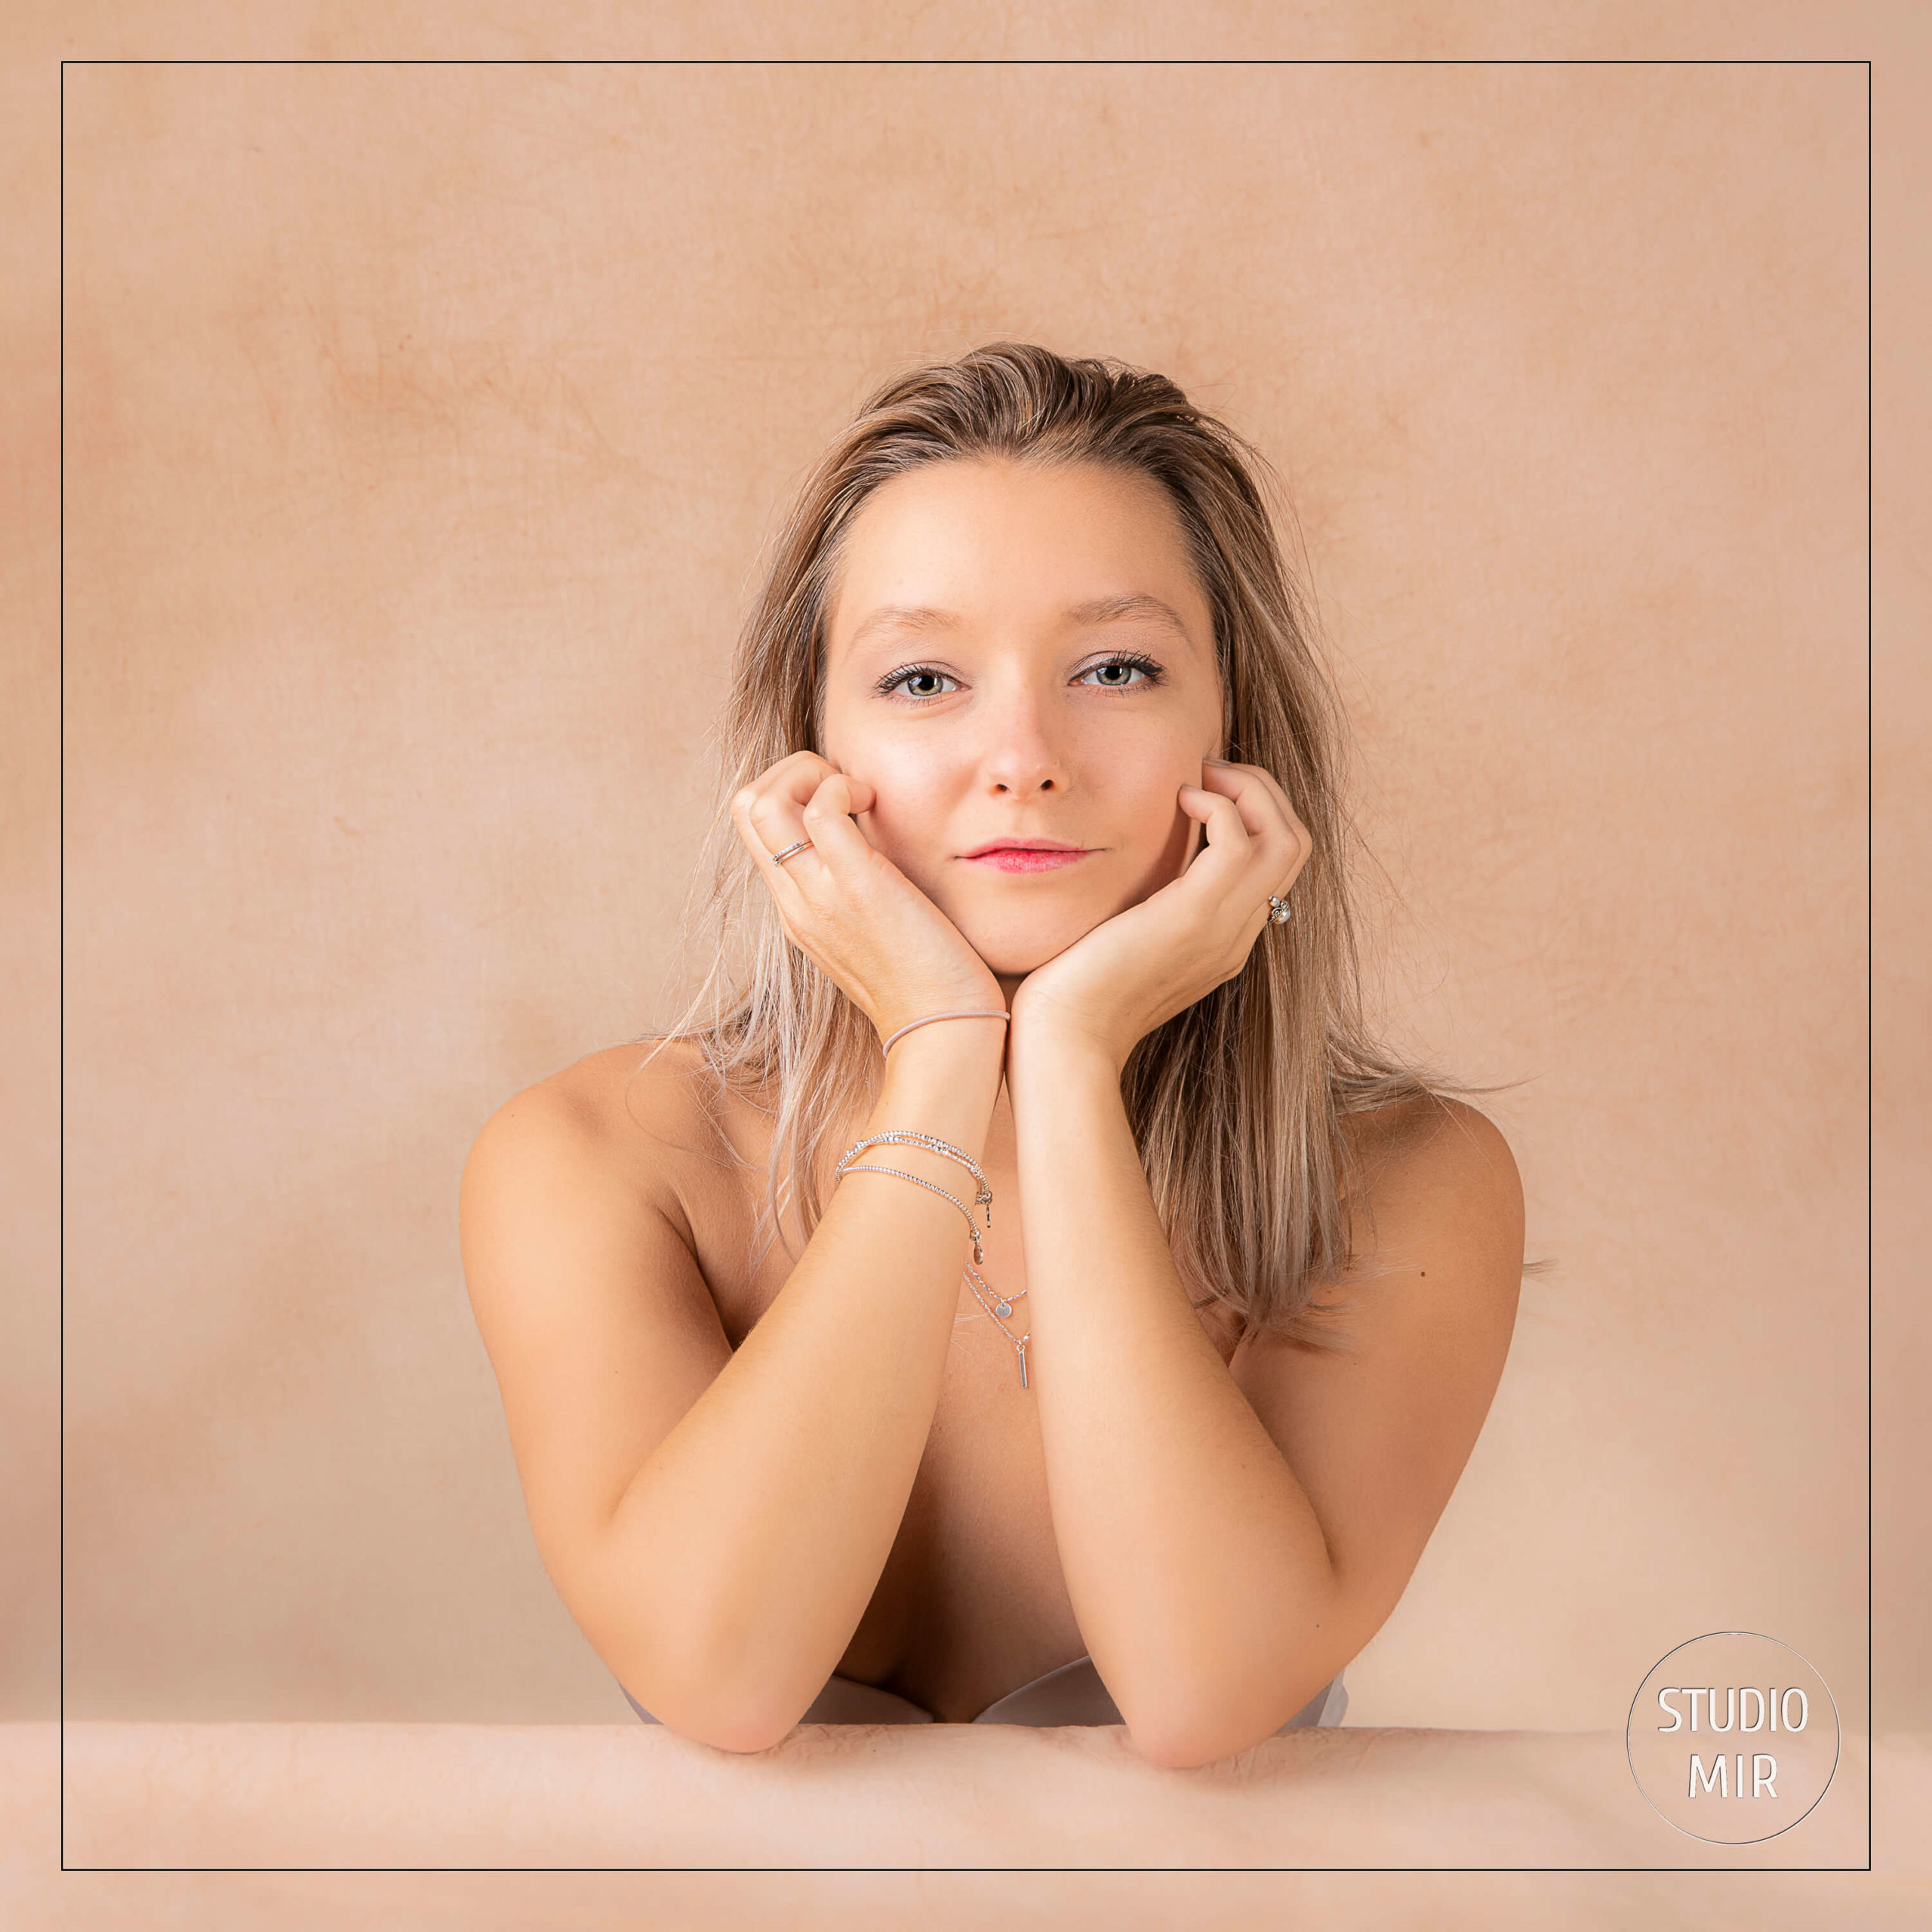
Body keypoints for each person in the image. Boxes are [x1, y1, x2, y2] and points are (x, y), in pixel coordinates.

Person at [458, 343, 1527, 1770]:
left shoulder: (1411, 1182)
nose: (1021, 754)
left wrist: (1074, 1062)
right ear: (811, 750)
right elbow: (722, 1674)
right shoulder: (593, 1160)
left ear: (1236, 735)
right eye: (922, 679)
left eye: (1116, 666)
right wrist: (946, 1052)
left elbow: (1206, 1694)